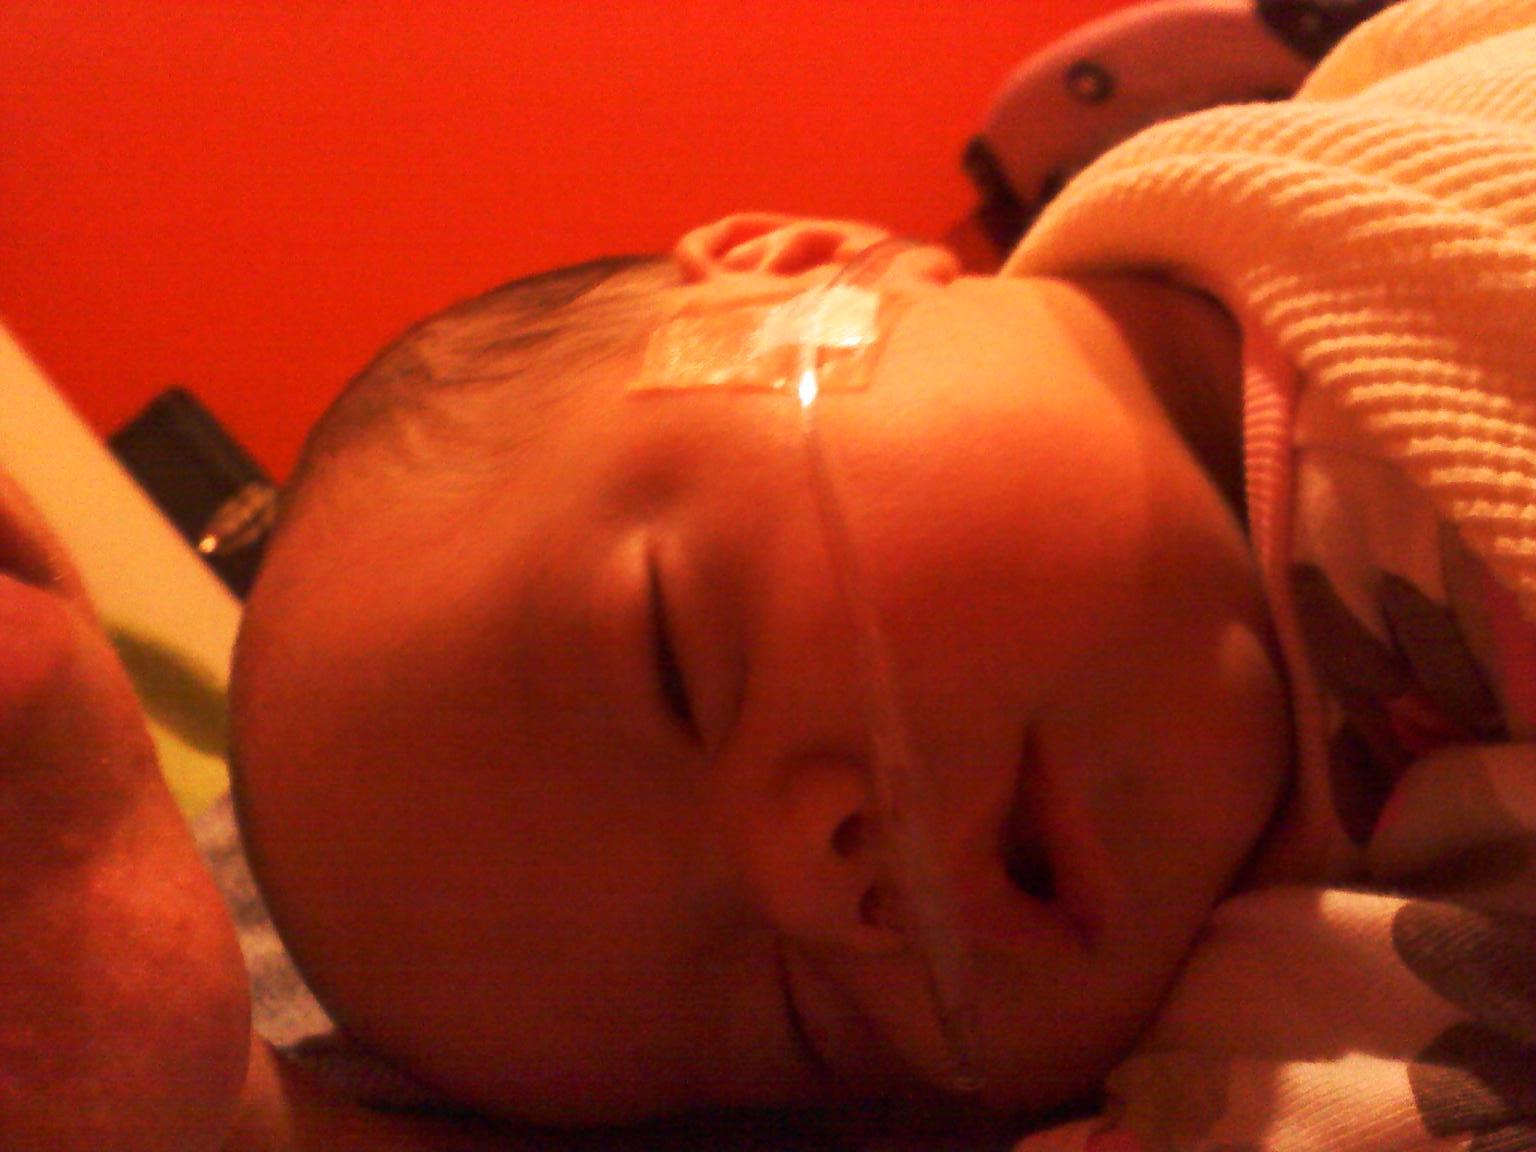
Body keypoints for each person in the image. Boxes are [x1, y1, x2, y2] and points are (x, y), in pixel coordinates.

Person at [3, 0, 1533, 1148]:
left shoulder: (1421, 151)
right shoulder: (1295, 1006)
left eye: (680, 663)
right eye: (796, 1017)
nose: (821, 880)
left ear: (795, 274)